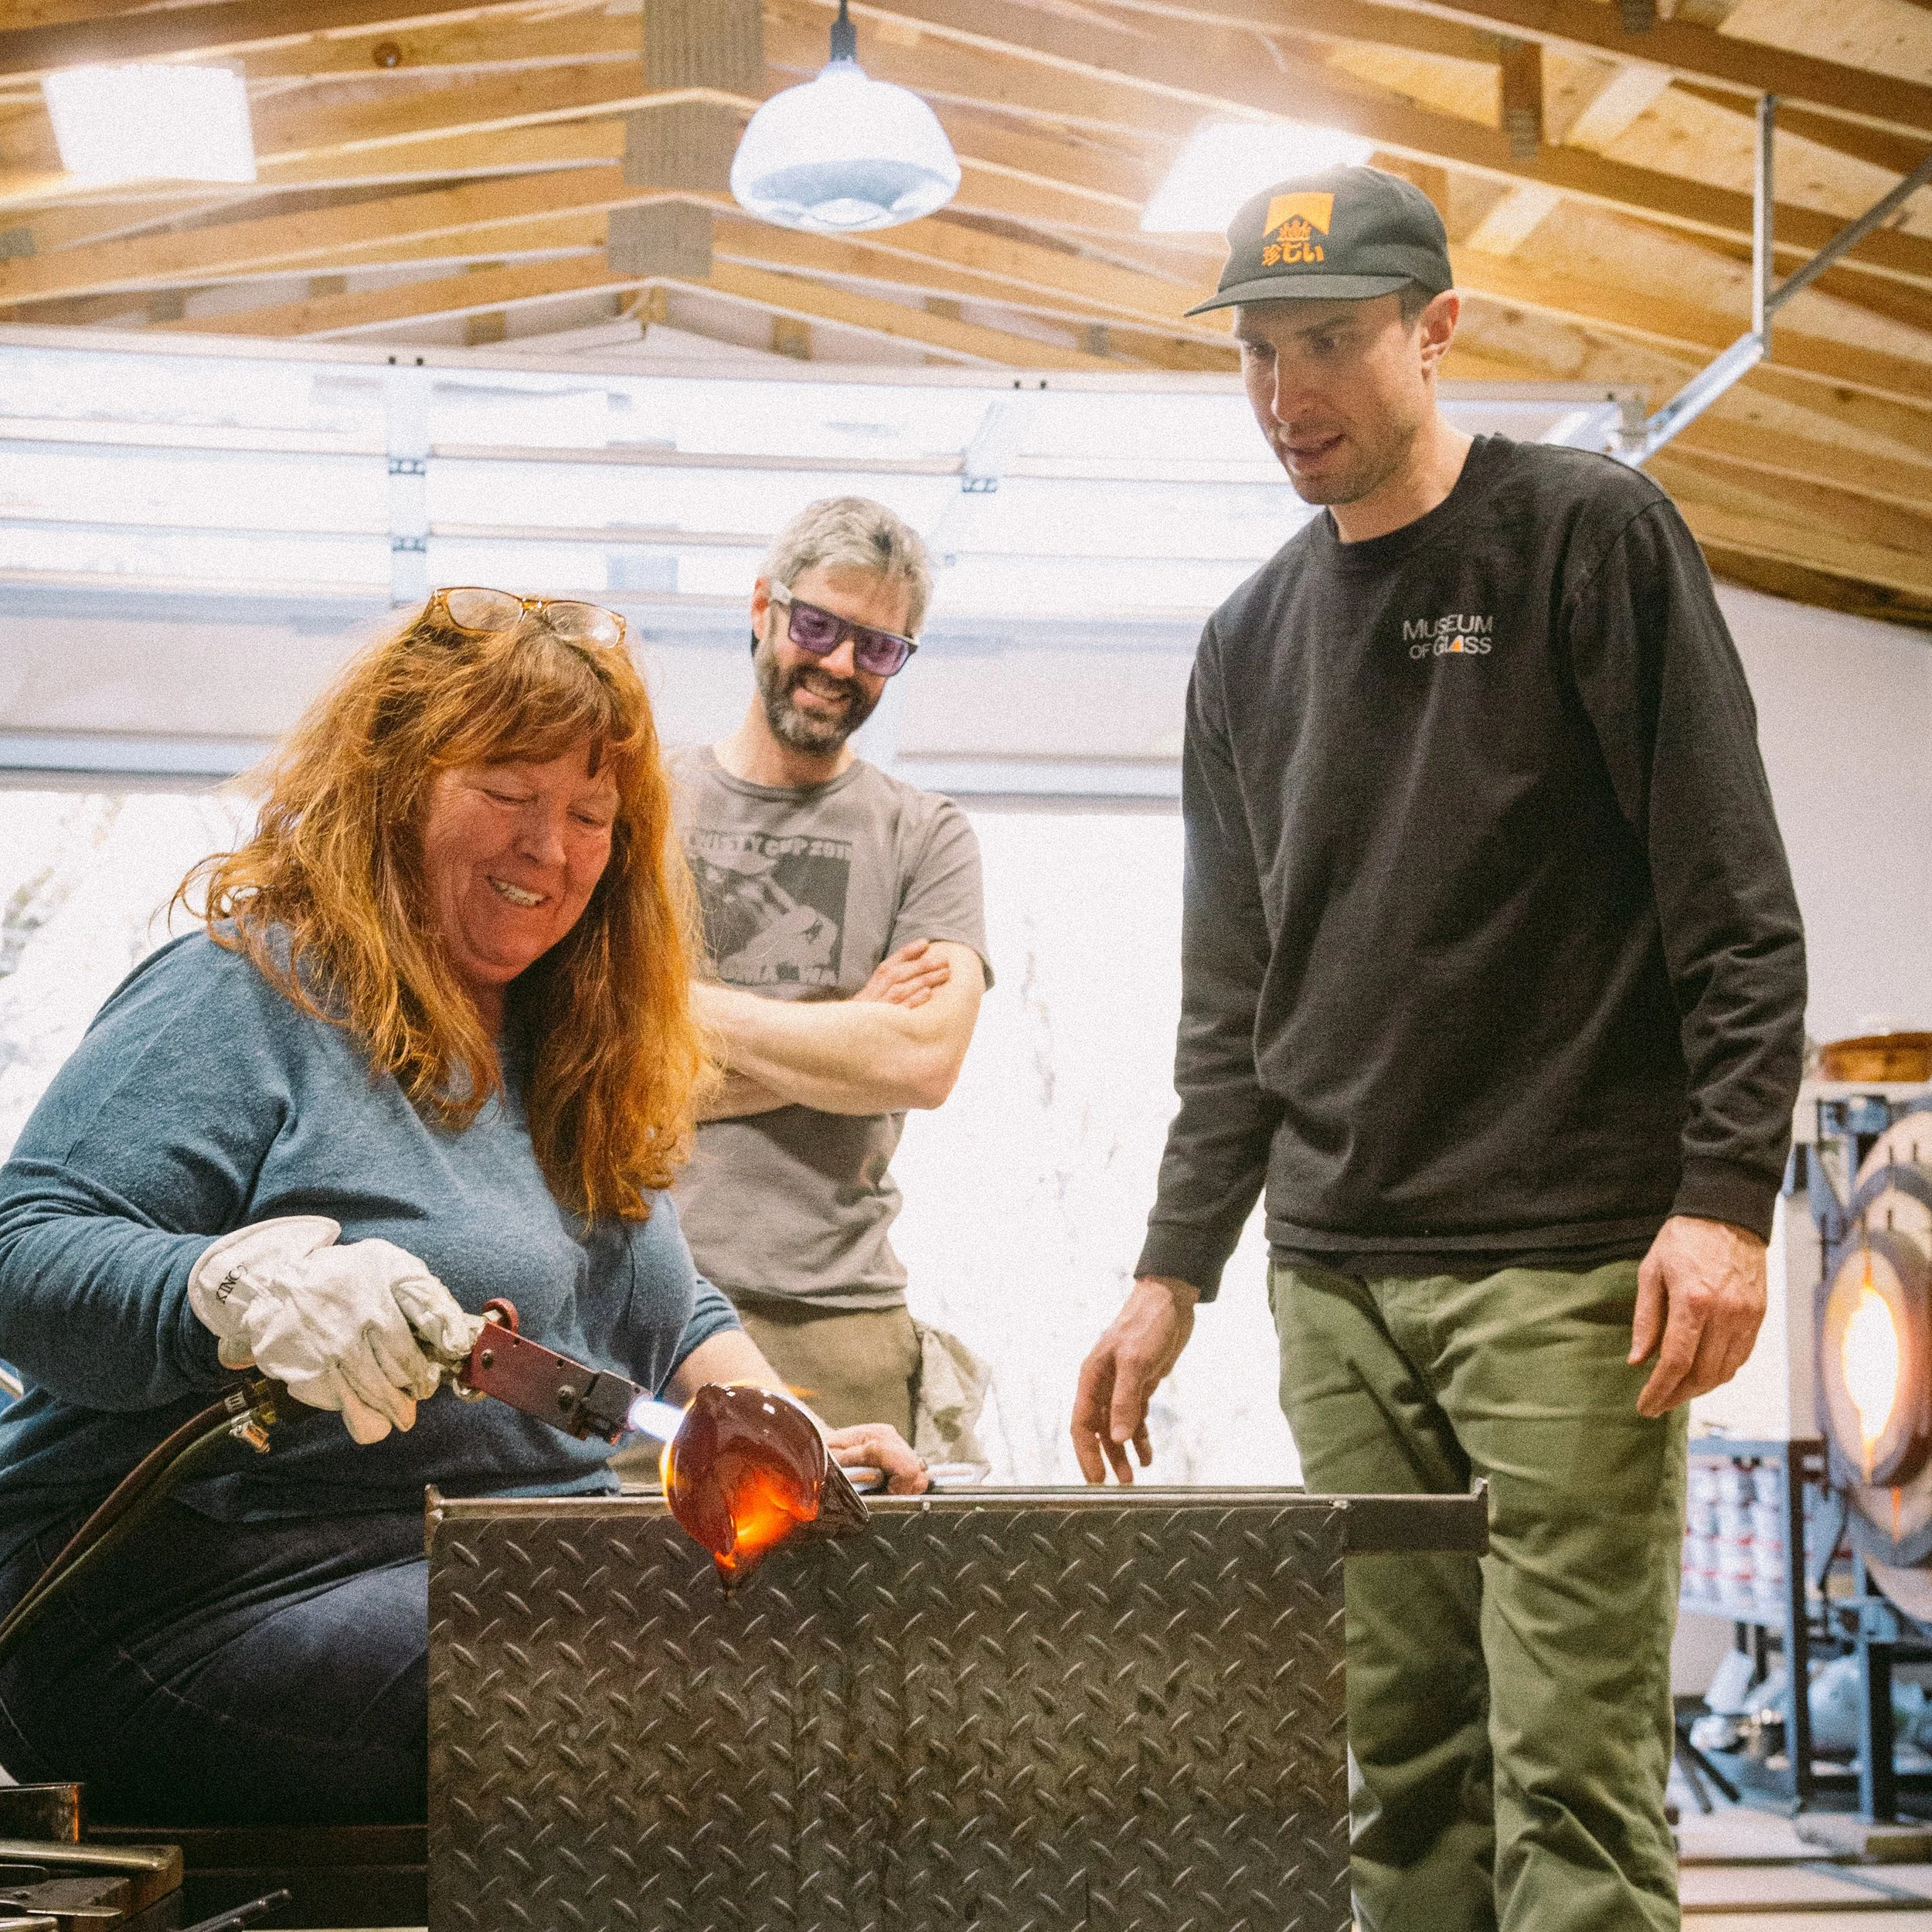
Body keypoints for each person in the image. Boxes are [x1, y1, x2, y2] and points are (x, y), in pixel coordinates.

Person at [1070, 168, 1806, 1932]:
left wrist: (1725, 1201)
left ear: (1436, 329)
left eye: (1327, 343)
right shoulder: (1248, 643)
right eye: (1258, 352)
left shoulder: (1585, 541)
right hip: (1336, 1286)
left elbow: (1736, 909)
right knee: (1397, 1778)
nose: (1286, 394)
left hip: (1567, 1274)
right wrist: (1173, 1273)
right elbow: (1233, 1008)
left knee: (1568, 1775)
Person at [0, 586, 924, 1829]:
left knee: (818, 1617)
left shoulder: (556, 1041)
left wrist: (772, 1424)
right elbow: (25, 1252)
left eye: (591, 814)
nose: (552, 849)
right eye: (508, 793)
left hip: (485, 1572)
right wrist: (227, 1293)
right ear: (392, 782)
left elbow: (661, 1301)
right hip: (188, 1604)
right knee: (652, 1668)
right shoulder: (249, 993)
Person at [667, 498, 991, 1440]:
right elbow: (578, 1055)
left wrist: (663, 1010)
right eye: (817, 626)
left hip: (841, 1321)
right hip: (631, 1305)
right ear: (764, 606)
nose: (841, 665)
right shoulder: (636, 802)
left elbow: (919, 1064)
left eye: (879, 648)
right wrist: (846, 1029)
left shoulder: (926, 835)